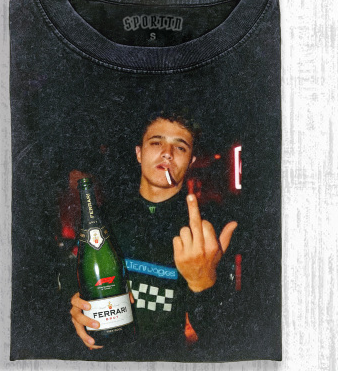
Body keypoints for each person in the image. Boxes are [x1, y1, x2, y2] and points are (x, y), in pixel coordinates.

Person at [69, 111, 238, 359]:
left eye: (180, 147)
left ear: (191, 161)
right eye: (156, 142)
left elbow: (223, 339)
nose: (167, 153)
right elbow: (74, 286)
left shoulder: (205, 232)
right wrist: (76, 308)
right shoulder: (105, 218)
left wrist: (204, 286)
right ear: (139, 153)